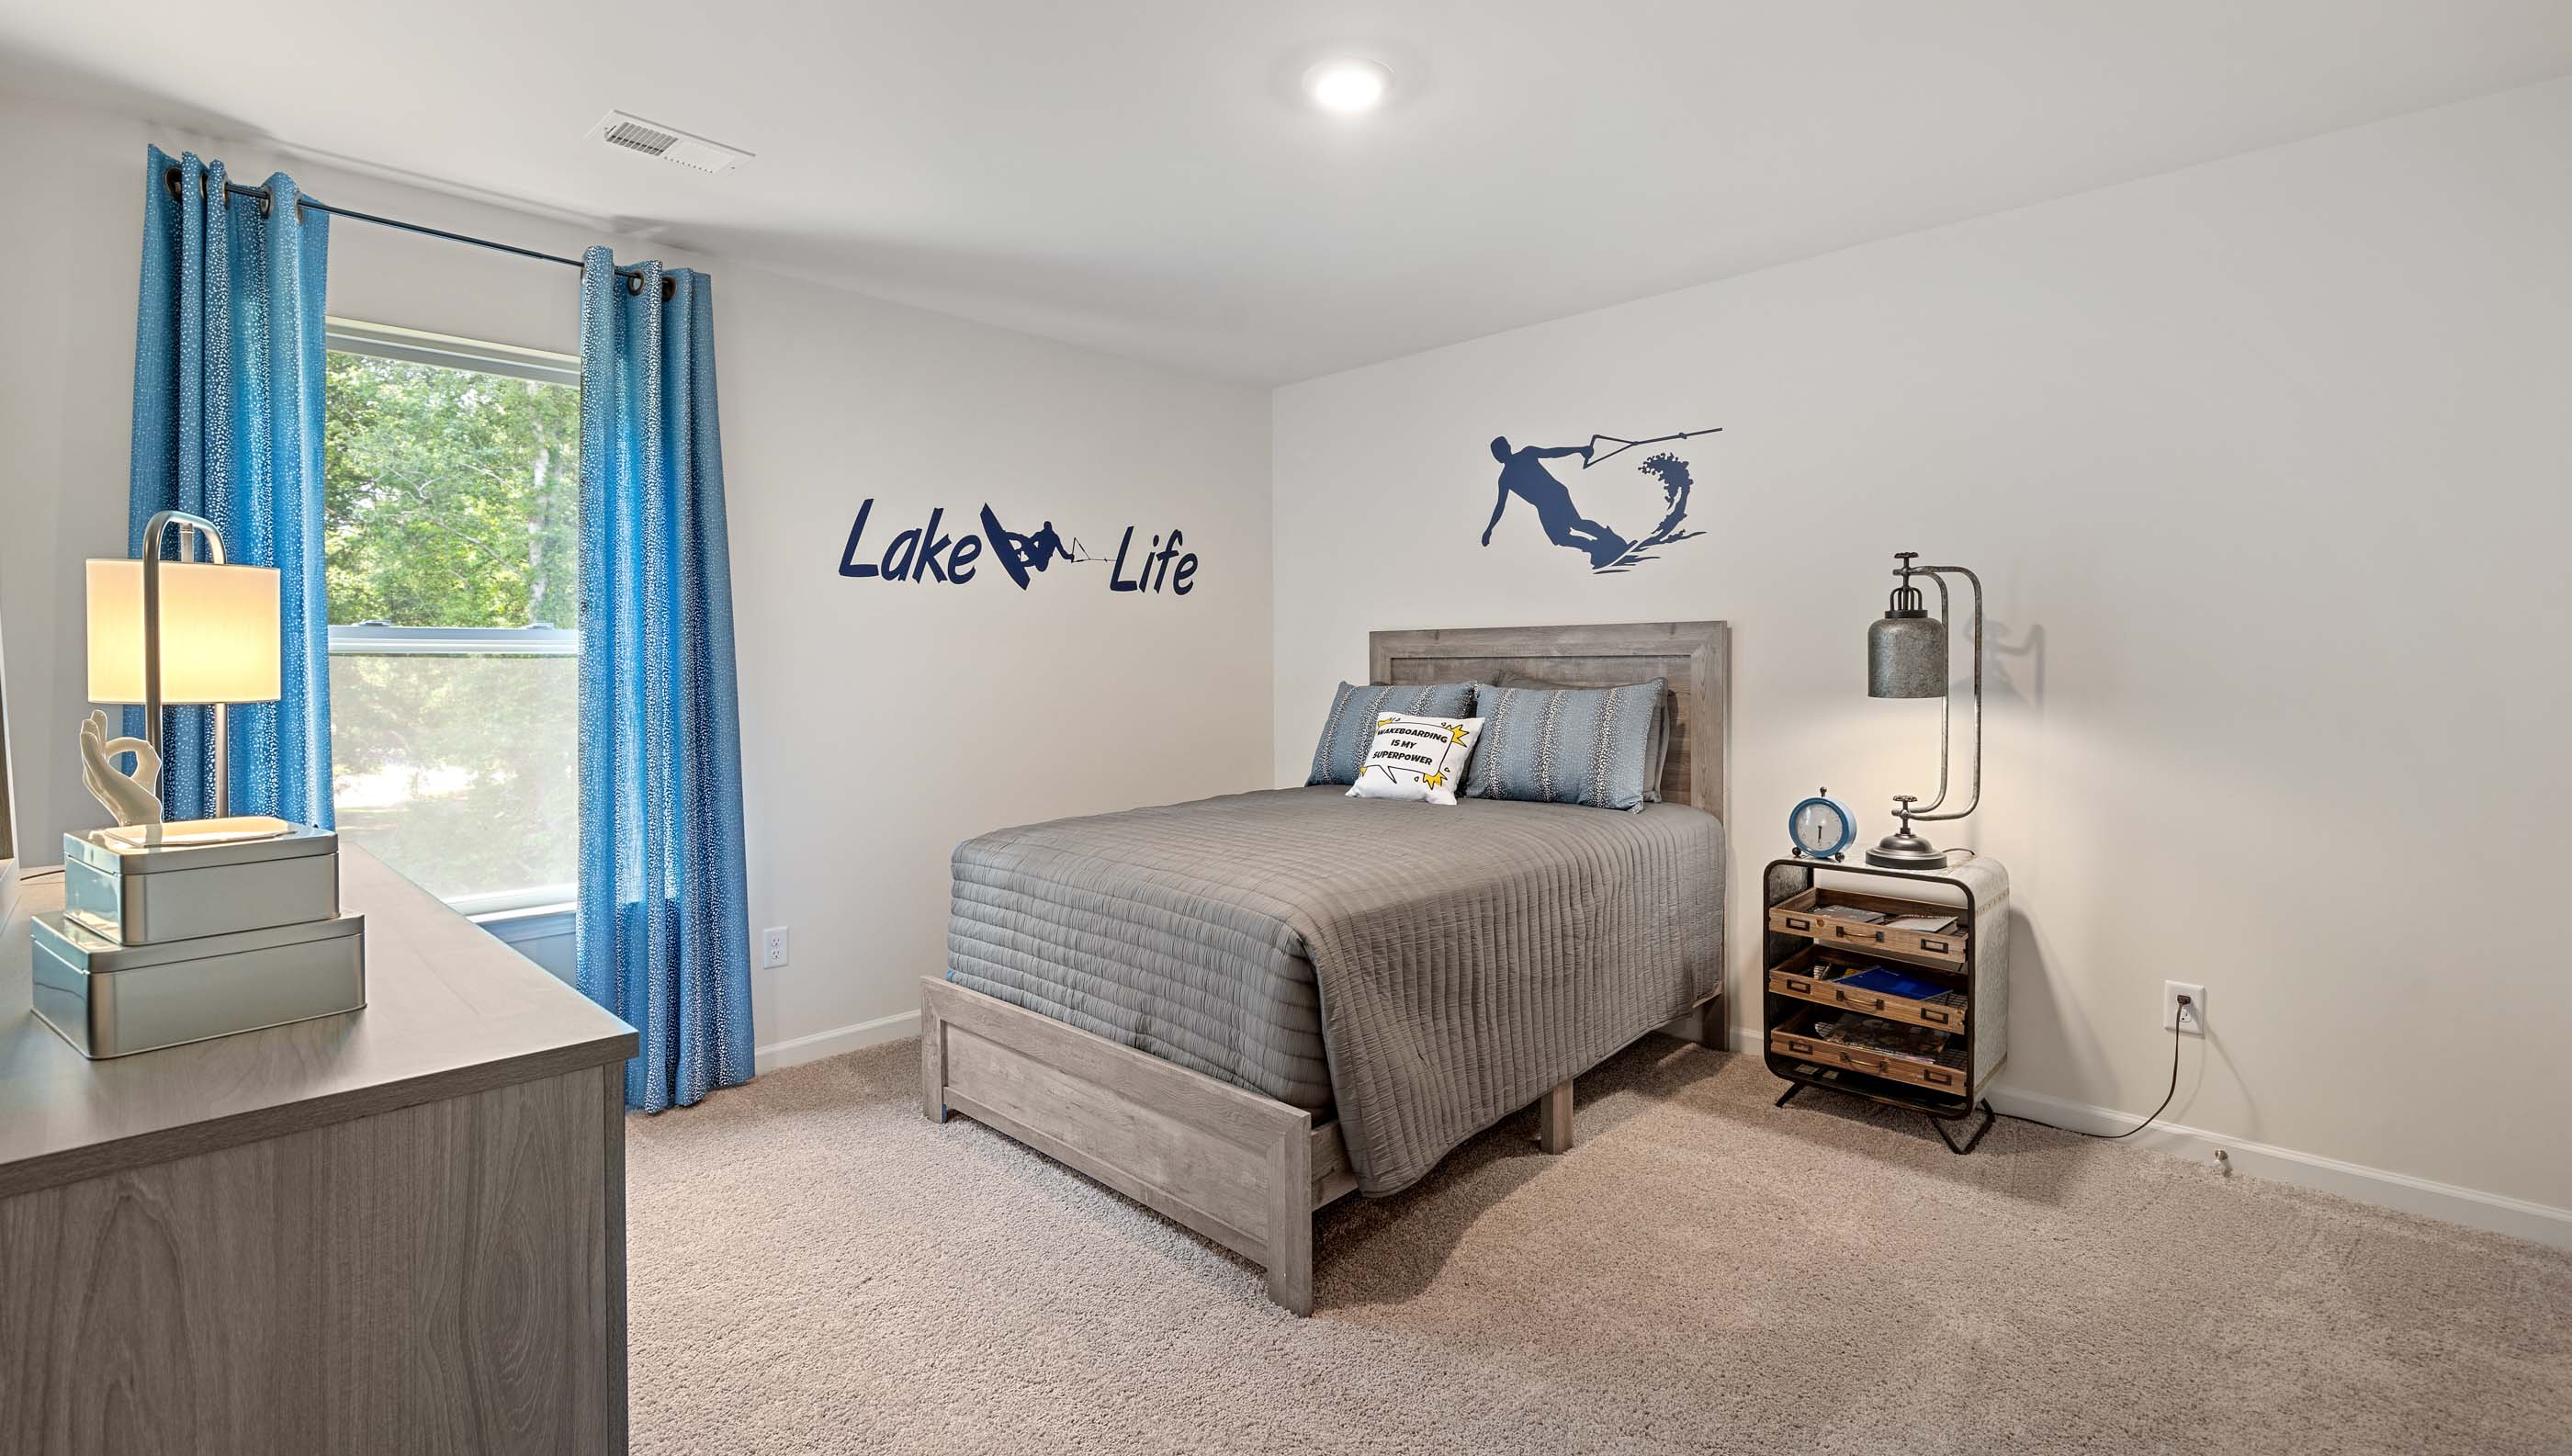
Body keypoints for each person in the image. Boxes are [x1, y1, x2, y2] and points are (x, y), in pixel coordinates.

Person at [1481, 436, 1630, 568]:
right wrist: (1489, 529)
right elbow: (1500, 505)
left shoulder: (1527, 453)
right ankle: (1596, 548)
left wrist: (1579, 449)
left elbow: (1552, 452)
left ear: (1508, 448)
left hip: (1555, 494)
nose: (1498, 456)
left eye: (1499, 451)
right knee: (1559, 538)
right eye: (1495, 454)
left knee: (1576, 523)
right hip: (1544, 505)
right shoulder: (1505, 478)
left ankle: (1610, 540)